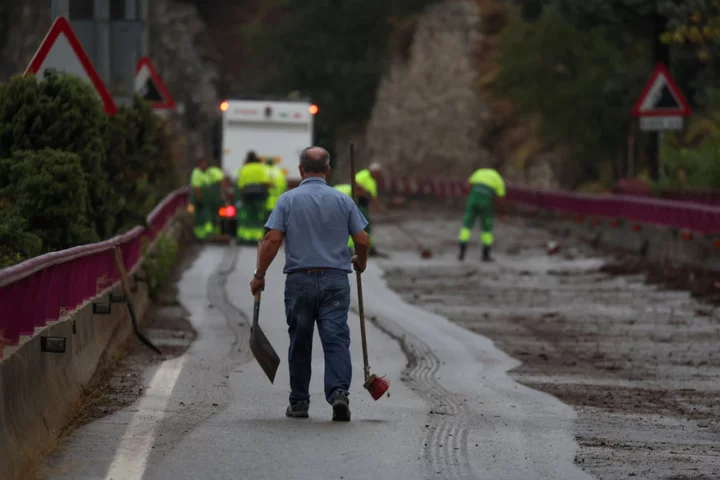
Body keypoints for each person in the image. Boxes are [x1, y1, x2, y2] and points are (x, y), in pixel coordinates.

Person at [250, 146, 371, 422]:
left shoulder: (288, 200)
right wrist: (361, 262)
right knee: (336, 339)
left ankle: (300, 402)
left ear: (301, 170)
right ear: (327, 171)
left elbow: (271, 241)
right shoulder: (343, 201)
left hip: (300, 281)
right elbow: (363, 240)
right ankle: (339, 393)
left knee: (300, 341)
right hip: (335, 281)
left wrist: (259, 275)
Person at [457, 167, 506, 262]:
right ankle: (485, 255)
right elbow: (500, 199)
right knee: (487, 230)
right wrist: (502, 213)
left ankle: (461, 253)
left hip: (473, 200)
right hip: (486, 203)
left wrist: (470, 198)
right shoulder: (498, 179)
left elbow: (467, 186)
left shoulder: (479, 172)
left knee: (466, 226)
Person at [236, 151, 272, 244]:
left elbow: (240, 185)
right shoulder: (262, 168)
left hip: (247, 196)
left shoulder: (244, 169)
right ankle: (257, 237)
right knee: (258, 217)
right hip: (260, 196)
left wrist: (241, 197)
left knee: (247, 216)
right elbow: (267, 183)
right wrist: (266, 194)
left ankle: (246, 238)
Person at [354, 162, 385, 256]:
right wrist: (363, 191)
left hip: (364, 205)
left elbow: (374, 197)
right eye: (378, 173)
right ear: (373, 171)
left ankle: (368, 246)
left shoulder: (373, 182)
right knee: (364, 225)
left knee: (367, 226)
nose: (378, 175)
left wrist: (379, 208)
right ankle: (366, 247)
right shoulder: (363, 174)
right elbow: (355, 182)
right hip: (357, 203)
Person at [334, 183, 368, 251]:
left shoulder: (349, 189)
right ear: (357, 190)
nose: (360, 196)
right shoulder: (348, 194)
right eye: (361, 193)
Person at [189, 159, 213, 240]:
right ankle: (200, 234)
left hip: (204, 198)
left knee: (204, 215)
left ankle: (205, 233)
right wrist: (199, 198)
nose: (205, 165)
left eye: (205, 164)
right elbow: (196, 187)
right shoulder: (196, 173)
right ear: (199, 165)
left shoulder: (206, 173)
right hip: (199, 198)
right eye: (203, 164)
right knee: (199, 216)